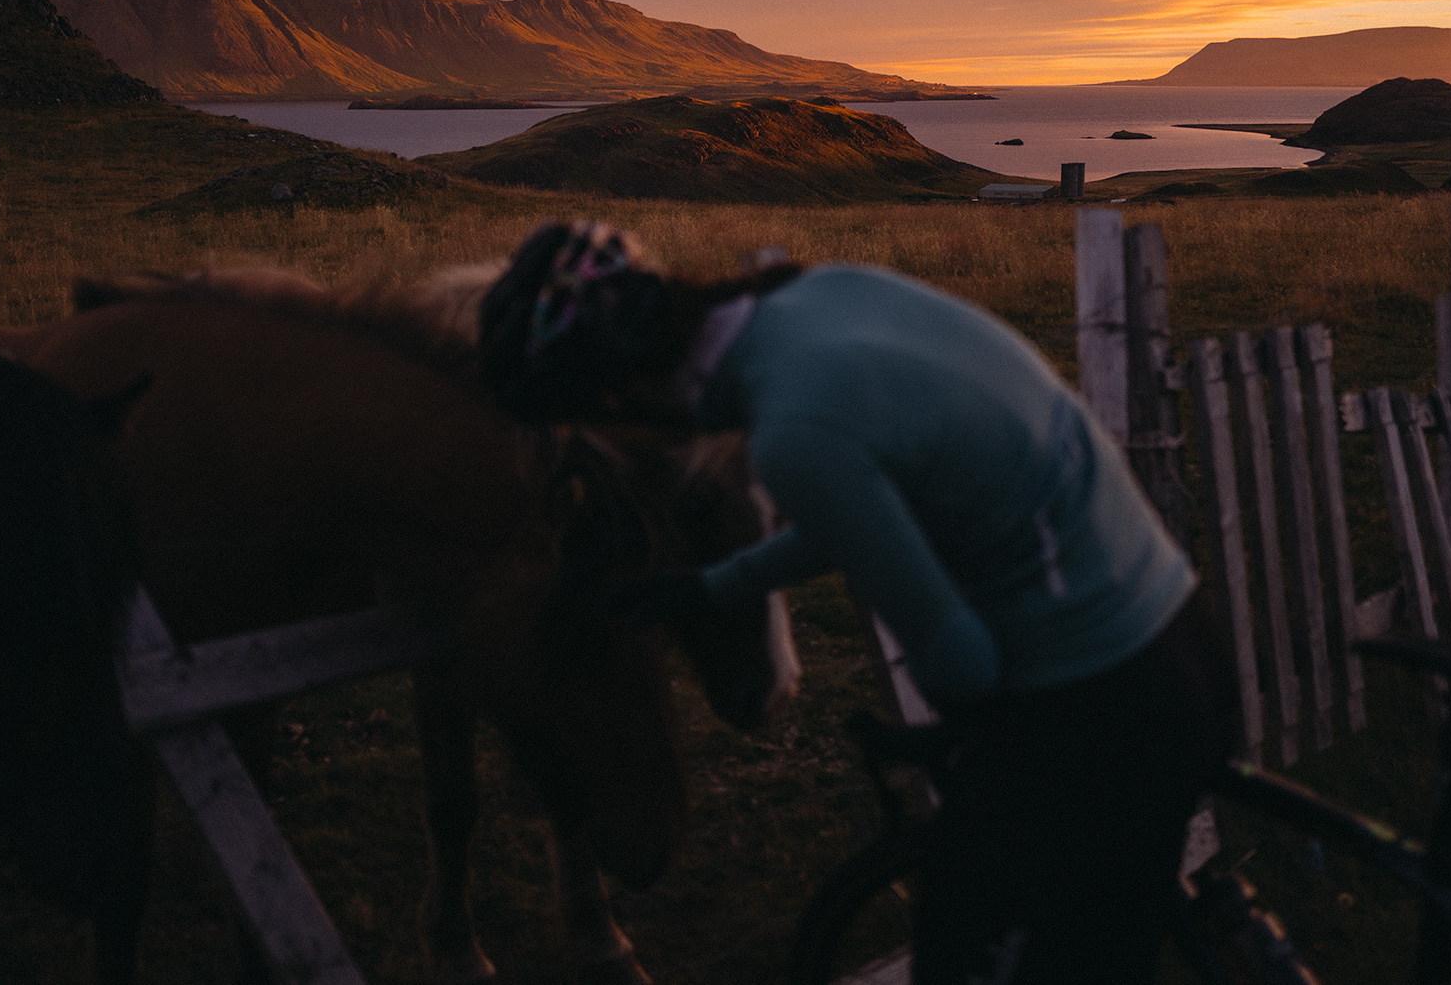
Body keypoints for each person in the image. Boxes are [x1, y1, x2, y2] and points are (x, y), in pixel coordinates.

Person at [477, 219, 1239, 985]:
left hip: (1100, 711)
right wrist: (716, 583)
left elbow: (963, 660)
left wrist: (938, 733)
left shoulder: (793, 432)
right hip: (1176, 642)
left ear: (629, 387)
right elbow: (864, 506)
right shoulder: (824, 294)